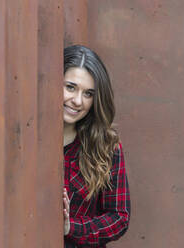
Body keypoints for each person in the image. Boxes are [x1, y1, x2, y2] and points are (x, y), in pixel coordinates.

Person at [62, 45, 130, 247]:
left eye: (88, 94)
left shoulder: (106, 145)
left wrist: (70, 227)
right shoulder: (29, 138)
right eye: (70, 87)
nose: (77, 101)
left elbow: (119, 217)